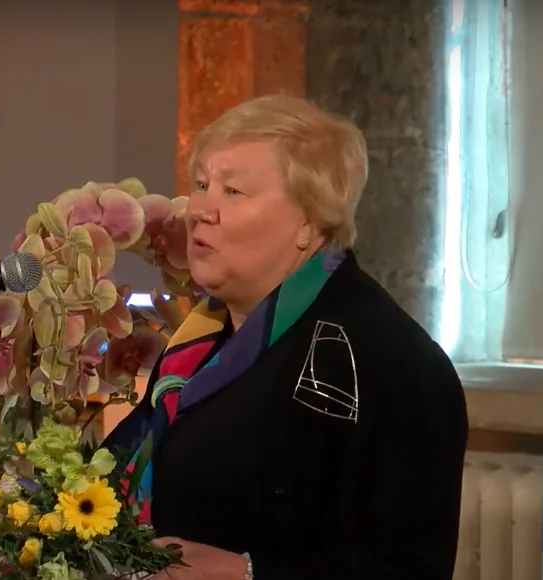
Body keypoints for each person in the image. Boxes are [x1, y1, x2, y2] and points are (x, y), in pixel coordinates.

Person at [103, 95, 468, 580]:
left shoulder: (393, 361)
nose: (200, 210)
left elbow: (412, 566)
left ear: (309, 222)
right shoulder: (197, 344)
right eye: (202, 185)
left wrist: (247, 572)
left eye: (233, 191)